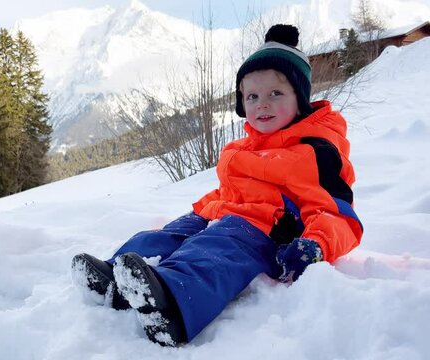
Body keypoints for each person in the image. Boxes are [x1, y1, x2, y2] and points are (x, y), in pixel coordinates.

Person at [71, 24, 363, 347]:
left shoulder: (317, 151)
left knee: (214, 250)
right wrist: (201, 212)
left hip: (265, 231)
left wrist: (316, 245)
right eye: (252, 96)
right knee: (170, 234)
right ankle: (115, 277)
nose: (261, 104)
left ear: (301, 99)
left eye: (275, 94)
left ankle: (173, 302)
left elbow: (337, 212)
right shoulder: (243, 148)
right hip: (224, 214)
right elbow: (230, 191)